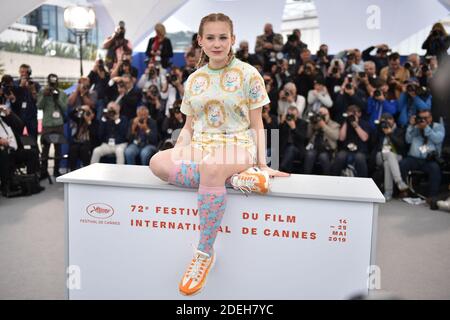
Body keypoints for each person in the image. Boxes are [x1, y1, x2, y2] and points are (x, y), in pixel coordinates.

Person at [149, 13, 289, 296]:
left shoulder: (249, 74)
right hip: (202, 145)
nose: (216, 43)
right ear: (200, 41)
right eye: (210, 38)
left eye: (222, 37)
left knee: (214, 166)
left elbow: (258, 123)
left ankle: (204, 253)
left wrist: (262, 164)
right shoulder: (194, 80)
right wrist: (179, 154)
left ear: (232, 39)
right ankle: (234, 180)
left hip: (238, 145)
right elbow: (188, 126)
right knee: (157, 163)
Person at [399, 110, 445, 207]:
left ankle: (432, 197)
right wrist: (411, 126)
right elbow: (408, 140)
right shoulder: (416, 127)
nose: (423, 120)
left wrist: (426, 128)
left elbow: (438, 139)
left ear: (431, 118)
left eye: (426, 117)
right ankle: (405, 191)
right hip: (414, 158)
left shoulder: (438, 127)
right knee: (403, 164)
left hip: (428, 160)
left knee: (435, 169)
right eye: (421, 118)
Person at [0, 106, 44, 196]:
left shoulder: (4, 118)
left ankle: (32, 183)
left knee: (32, 153)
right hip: (3, 153)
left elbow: (20, 126)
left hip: (14, 150)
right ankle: (7, 186)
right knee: (4, 155)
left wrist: (9, 114)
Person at [37, 73, 68, 178]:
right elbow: (39, 106)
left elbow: (64, 108)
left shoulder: (62, 93)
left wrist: (57, 98)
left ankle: (56, 171)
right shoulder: (43, 92)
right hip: (47, 124)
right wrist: (44, 96)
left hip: (58, 124)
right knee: (45, 149)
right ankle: (43, 172)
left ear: (57, 81)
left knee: (58, 149)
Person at [372, 113, 408, 201]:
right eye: (385, 120)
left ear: (394, 120)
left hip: (396, 157)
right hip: (380, 156)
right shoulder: (379, 130)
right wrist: (379, 129)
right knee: (389, 155)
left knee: (388, 162)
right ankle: (399, 182)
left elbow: (402, 145)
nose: (387, 121)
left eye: (389, 119)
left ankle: (388, 192)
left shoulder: (400, 131)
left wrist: (390, 134)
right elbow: (372, 143)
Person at [331, 105, 371, 177]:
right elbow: (341, 138)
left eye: (354, 113)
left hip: (360, 150)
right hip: (346, 149)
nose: (352, 115)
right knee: (340, 156)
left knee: (359, 158)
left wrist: (356, 125)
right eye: (350, 113)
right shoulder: (345, 123)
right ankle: (334, 179)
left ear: (359, 114)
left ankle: (363, 181)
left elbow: (364, 138)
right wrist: (346, 122)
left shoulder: (364, 123)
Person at [303, 106, 339, 175]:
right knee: (309, 154)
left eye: (323, 114)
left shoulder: (334, 124)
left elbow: (335, 137)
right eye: (319, 114)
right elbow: (308, 135)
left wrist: (324, 126)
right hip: (314, 147)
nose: (321, 116)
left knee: (323, 157)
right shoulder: (315, 122)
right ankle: (306, 176)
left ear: (328, 115)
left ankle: (328, 177)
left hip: (328, 149)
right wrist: (311, 123)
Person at [68, 105, 99, 171]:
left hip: (89, 143)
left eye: (90, 113)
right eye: (87, 112)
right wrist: (78, 108)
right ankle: (72, 170)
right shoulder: (80, 120)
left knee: (84, 149)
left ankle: (86, 170)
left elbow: (95, 134)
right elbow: (70, 115)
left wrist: (89, 122)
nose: (88, 114)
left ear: (94, 114)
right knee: (73, 149)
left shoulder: (96, 123)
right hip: (78, 141)